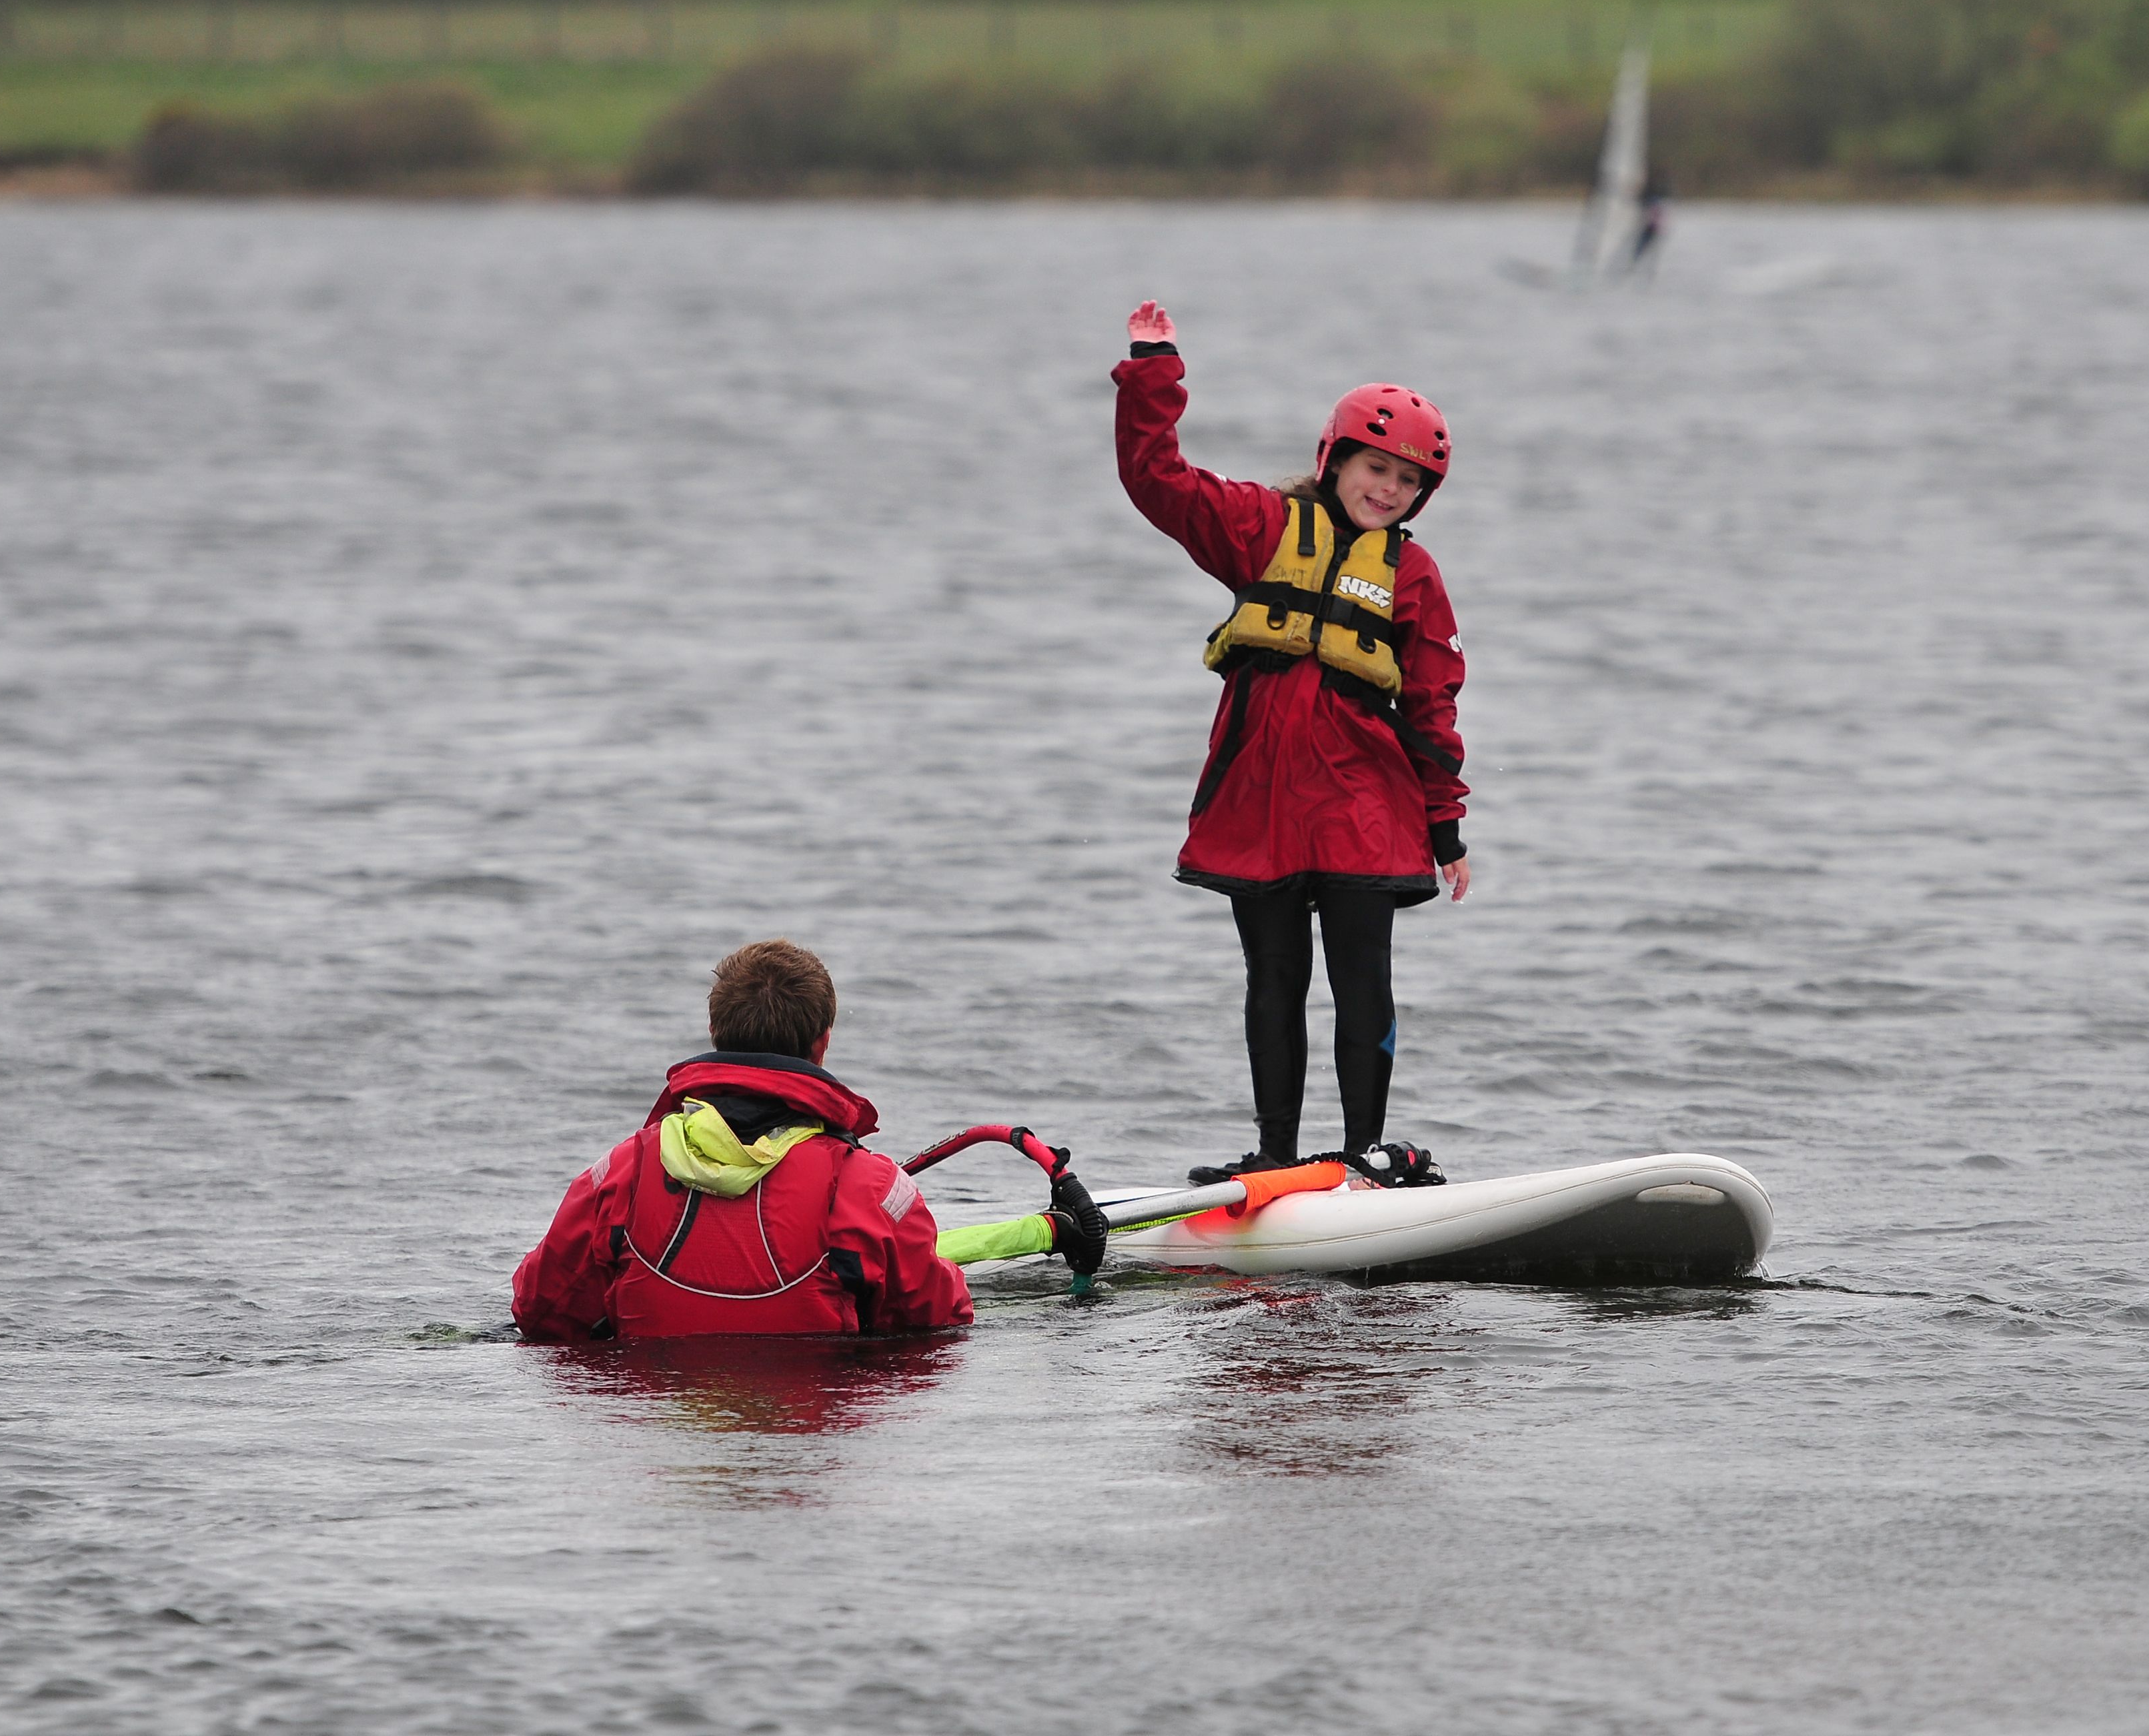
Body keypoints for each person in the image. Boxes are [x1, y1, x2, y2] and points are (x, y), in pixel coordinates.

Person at [1113, 300, 1467, 1188]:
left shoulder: (1414, 575)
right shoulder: (1261, 527)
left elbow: (1432, 707)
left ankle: (1365, 1157)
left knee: (1362, 985)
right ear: (1335, 458)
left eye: (1407, 481)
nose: (1387, 490)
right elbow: (1155, 477)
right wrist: (1154, 371)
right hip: (1260, 804)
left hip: (1363, 811)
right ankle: (1274, 1155)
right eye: (1375, 468)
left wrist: (1447, 829)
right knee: (1273, 978)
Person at [512, 940, 1102, 1341]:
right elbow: (939, 1320)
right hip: (808, 1421)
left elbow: (540, 1312)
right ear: (822, 1044)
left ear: (717, 1034)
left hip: (661, 1432)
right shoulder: (869, 1186)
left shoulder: (621, 1170)